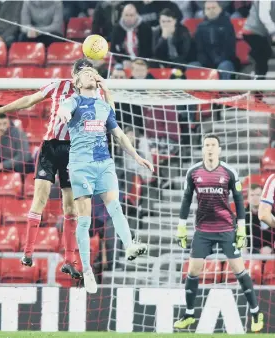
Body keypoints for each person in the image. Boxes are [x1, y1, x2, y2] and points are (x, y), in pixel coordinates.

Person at [0, 59, 102, 280]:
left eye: (89, 73)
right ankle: (27, 253)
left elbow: (101, 123)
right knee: (40, 198)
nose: (85, 77)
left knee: (70, 207)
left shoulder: (96, 96)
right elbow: (29, 100)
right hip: (50, 148)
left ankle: (68, 261)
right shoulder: (59, 86)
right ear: (74, 74)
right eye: (82, 73)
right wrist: (0, 109)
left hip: (74, 152)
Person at [57, 68, 153, 293]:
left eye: (93, 72)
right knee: (84, 221)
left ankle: (129, 246)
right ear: (77, 82)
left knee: (116, 208)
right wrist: (63, 112)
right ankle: (88, 272)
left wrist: (138, 157)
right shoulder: (74, 100)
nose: (91, 74)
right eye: (85, 73)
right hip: (82, 165)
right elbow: (65, 107)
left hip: (104, 163)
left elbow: (119, 135)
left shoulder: (104, 106)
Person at [174, 134, 264, 332]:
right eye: (207, 145)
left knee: (239, 270)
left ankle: (256, 312)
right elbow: (186, 200)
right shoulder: (193, 172)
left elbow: (240, 202)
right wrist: (181, 226)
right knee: (193, 271)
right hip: (203, 230)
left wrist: (241, 228)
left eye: (213, 145)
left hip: (226, 229)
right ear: (203, 148)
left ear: (219, 149)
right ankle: (189, 314)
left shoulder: (229, 172)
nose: (210, 148)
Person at [191, 1, 237, 80]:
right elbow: (199, 50)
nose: (211, 10)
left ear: (220, 9)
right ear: (204, 11)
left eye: (214, 8)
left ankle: (224, 92)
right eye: (208, 8)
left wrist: (216, 69)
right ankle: (196, 92)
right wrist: (207, 67)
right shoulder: (200, 27)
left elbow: (229, 49)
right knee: (192, 66)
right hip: (206, 63)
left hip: (224, 61)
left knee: (224, 66)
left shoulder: (227, 25)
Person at [110, 3, 153, 68]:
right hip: (123, 62)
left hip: (142, 61)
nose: (129, 18)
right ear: (122, 15)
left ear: (136, 15)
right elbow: (113, 49)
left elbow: (148, 49)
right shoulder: (117, 29)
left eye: (131, 15)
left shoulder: (145, 28)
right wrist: (123, 61)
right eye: (126, 15)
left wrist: (138, 61)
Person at [243, 1, 275, 79]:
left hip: (259, 33)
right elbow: (264, 16)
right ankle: (257, 88)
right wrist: (273, 32)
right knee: (262, 60)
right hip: (253, 31)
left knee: (266, 53)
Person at [246, 184, 274, 253]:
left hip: (268, 251)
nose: (255, 198)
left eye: (258, 195)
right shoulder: (242, 216)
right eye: (252, 195)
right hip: (248, 251)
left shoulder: (271, 215)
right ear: (248, 198)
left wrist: (272, 248)